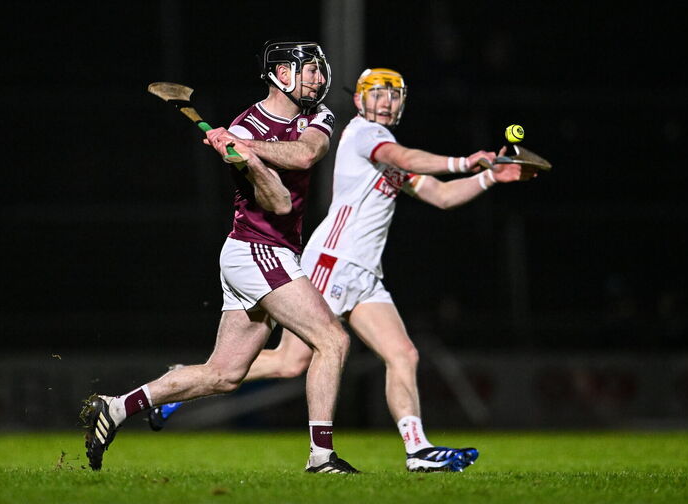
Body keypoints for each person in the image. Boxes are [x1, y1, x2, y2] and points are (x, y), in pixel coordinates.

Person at [148, 68, 536, 472]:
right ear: (359, 101)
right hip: (332, 262)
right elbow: (406, 158)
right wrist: (466, 161)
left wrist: (491, 176)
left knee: (403, 353)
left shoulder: (386, 150)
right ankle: (187, 380)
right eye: (377, 93)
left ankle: (418, 450)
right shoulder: (365, 134)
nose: (385, 102)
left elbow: (440, 195)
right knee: (291, 362)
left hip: (365, 274)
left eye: (394, 95)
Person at [80, 40, 360, 474]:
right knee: (332, 340)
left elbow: (307, 153)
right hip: (258, 250)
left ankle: (116, 407)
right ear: (282, 75)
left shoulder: (315, 116)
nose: (319, 79)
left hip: (264, 253)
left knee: (224, 375)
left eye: (320, 70)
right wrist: (246, 159)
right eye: (310, 70)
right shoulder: (245, 124)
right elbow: (279, 202)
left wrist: (248, 149)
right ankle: (322, 457)